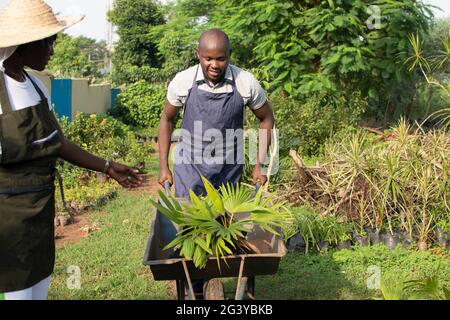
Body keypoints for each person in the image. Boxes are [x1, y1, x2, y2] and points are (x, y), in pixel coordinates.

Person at [0, 0, 142, 300]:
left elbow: (58, 142)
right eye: (49, 43)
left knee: (37, 286)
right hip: (6, 218)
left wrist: (107, 166)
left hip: (39, 209)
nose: (52, 50)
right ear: (25, 44)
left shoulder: (36, 86)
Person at [157, 28, 274, 298]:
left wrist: (260, 164)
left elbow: (266, 119)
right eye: (208, 58)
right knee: (192, 229)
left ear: (229, 56)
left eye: (220, 58)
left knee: (222, 228)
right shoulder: (183, 81)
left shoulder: (245, 83)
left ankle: (211, 279)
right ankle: (195, 288)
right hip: (190, 168)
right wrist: (163, 166)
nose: (214, 65)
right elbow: (166, 119)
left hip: (227, 169)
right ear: (198, 55)